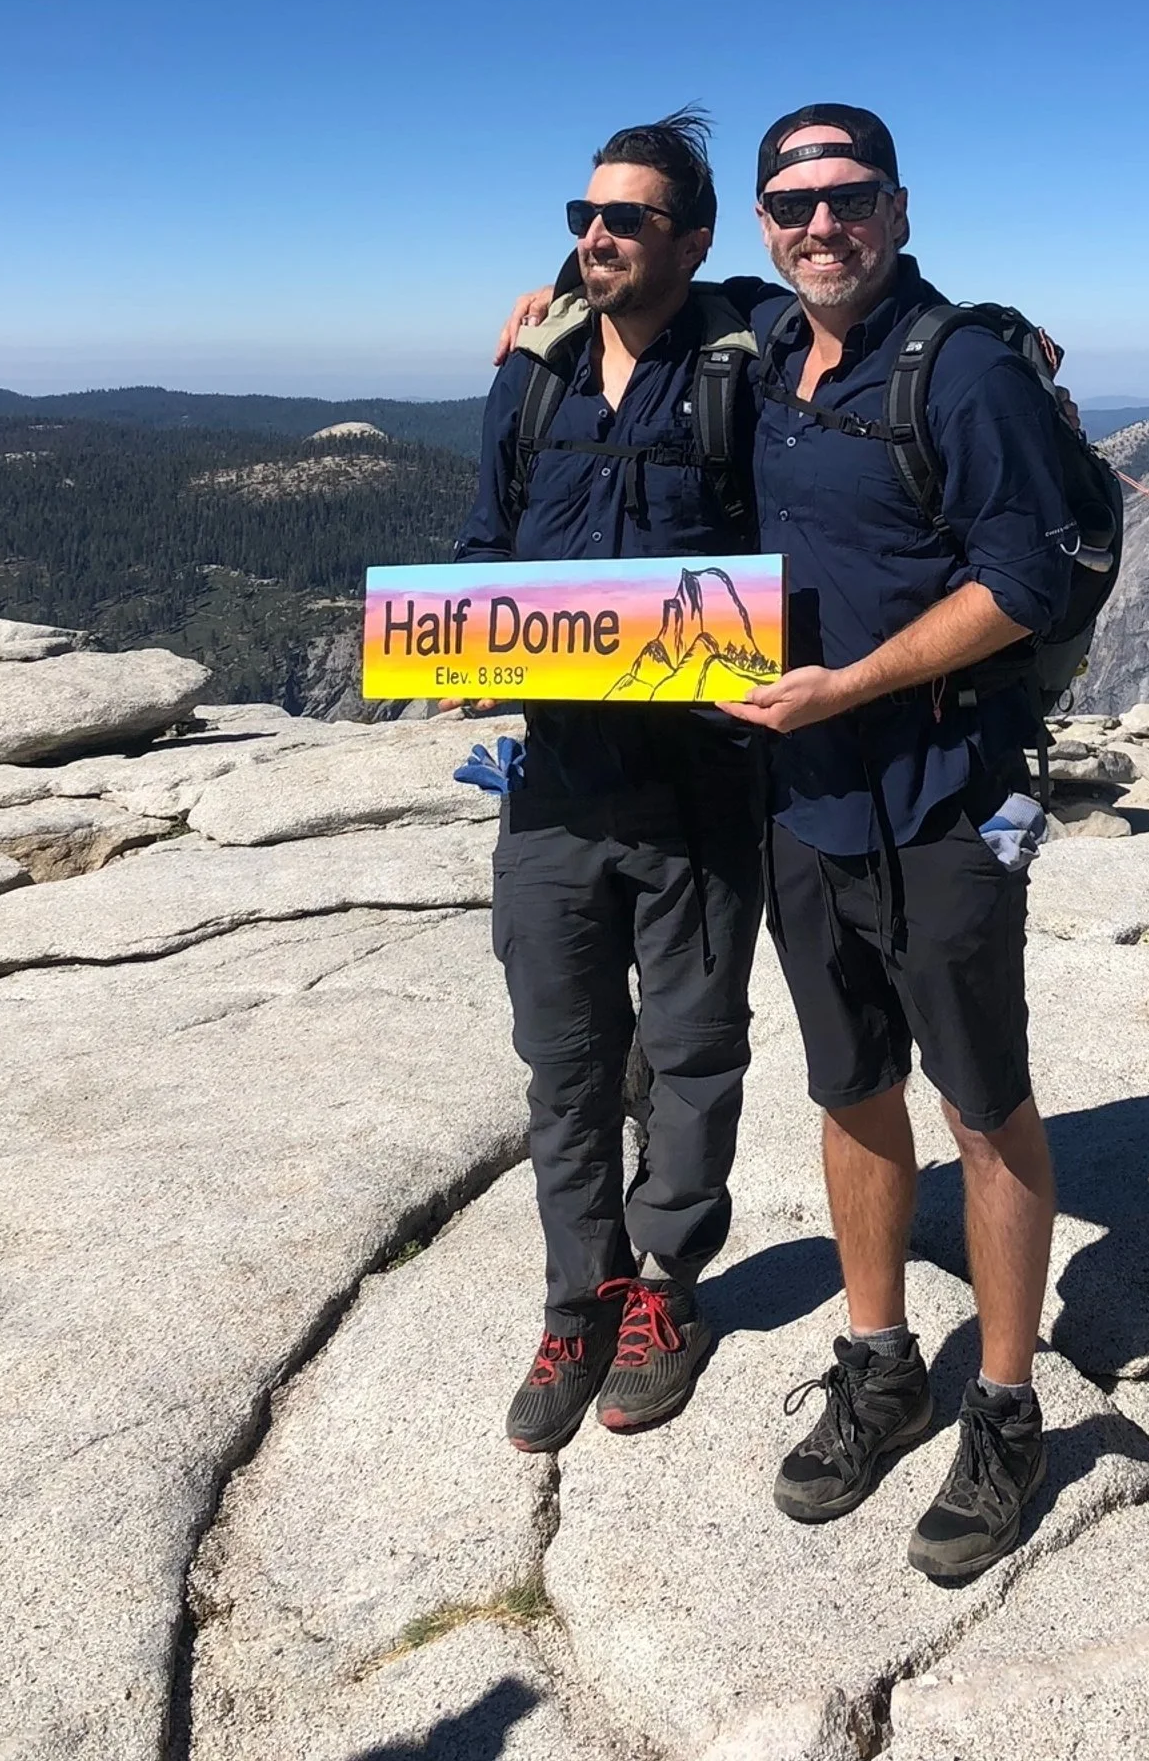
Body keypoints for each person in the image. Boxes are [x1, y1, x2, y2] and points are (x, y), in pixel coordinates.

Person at [729, 105, 1078, 1587]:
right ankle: (884, 1365)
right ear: (763, 225)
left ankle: (1005, 1407)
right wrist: (549, 306)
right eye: (795, 204)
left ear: (899, 205)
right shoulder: (766, 350)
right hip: (806, 810)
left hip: (942, 801)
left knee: (982, 1102)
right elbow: (651, 290)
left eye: (850, 198)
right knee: (850, 1082)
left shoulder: (966, 365)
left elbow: (1031, 582)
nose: (824, 225)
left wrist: (848, 687)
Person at [457, 112, 765, 1454]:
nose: (594, 237)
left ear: (691, 241)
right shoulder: (533, 378)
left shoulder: (747, 370)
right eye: (584, 217)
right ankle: (577, 1304)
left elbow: (845, 300)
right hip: (555, 787)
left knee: (694, 1059)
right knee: (565, 1066)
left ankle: (668, 1292)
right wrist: (460, 641)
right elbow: (483, 544)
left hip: (703, 787)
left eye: (627, 219)